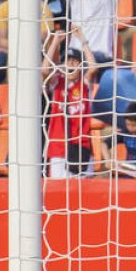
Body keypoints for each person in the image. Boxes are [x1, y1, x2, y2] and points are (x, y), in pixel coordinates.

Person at [42, 29, 95, 178]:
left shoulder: (84, 85)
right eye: (67, 61)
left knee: (85, 195)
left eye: (75, 61)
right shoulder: (57, 83)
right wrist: (55, 43)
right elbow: (44, 70)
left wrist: (83, 40)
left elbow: (94, 68)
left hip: (82, 147)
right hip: (59, 150)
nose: (71, 64)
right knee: (58, 195)